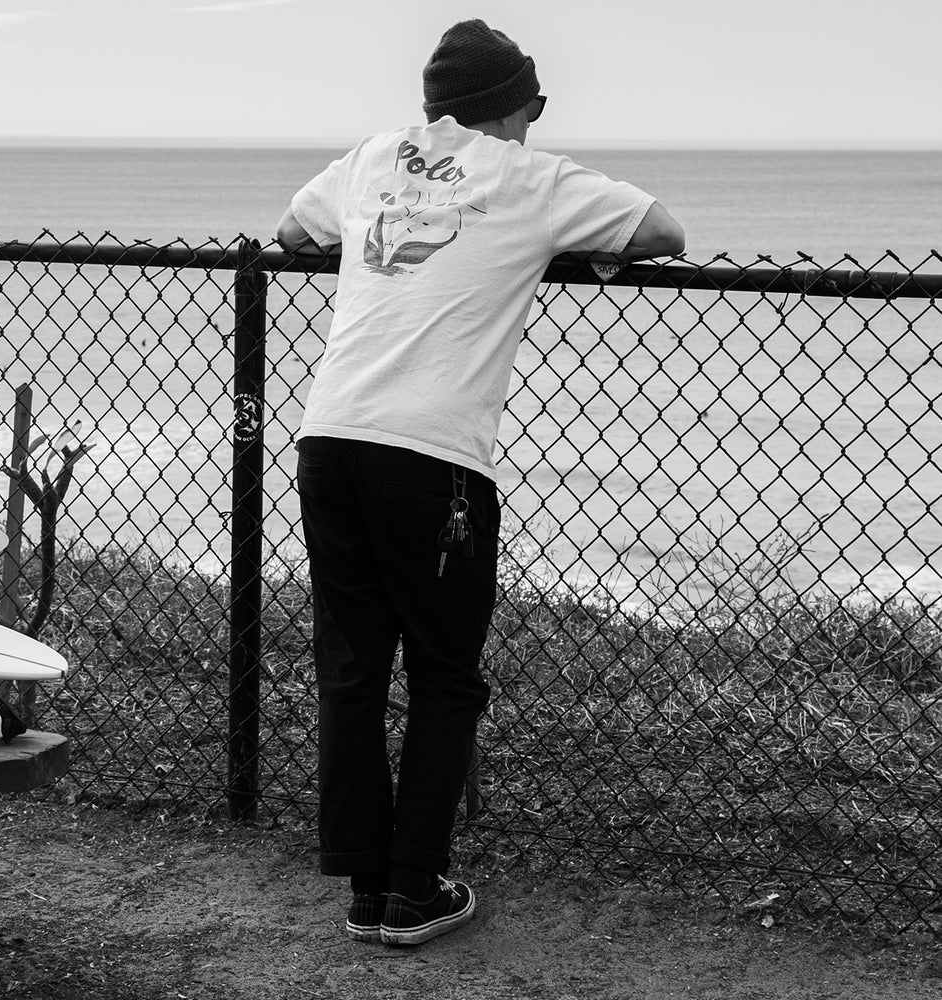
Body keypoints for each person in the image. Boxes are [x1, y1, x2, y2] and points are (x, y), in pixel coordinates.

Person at [275, 18, 685, 947]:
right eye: (533, 110)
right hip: (434, 457)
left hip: (329, 437)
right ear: (513, 109)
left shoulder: (373, 157)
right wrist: (568, 252)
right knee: (446, 677)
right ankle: (416, 890)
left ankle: (365, 887)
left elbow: (291, 231)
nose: (534, 126)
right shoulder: (531, 179)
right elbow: (663, 228)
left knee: (352, 668)